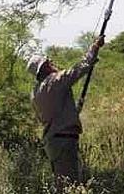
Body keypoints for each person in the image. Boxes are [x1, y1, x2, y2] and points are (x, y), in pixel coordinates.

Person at [27, 36, 104, 190]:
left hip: (52, 143)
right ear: (44, 68)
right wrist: (94, 48)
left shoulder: (35, 93)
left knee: (62, 184)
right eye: (49, 62)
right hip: (64, 141)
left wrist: (73, 111)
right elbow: (80, 68)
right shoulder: (55, 80)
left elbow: (51, 115)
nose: (53, 63)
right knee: (70, 187)